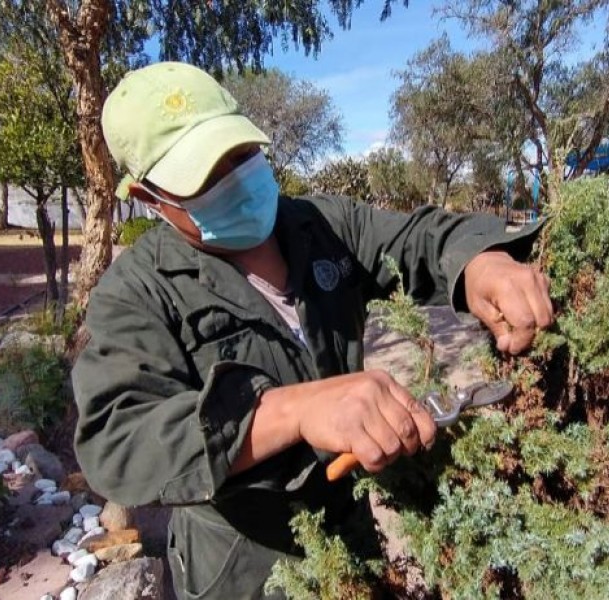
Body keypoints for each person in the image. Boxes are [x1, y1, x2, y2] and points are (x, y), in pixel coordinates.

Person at [72, 61, 554, 599]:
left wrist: (482, 263)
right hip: (241, 573)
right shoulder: (134, 294)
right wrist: (294, 410)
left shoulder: (322, 225)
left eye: (240, 155)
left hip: (351, 541)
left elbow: (422, 237)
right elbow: (119, 442)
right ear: (147, 197)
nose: (235, 179)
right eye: (205, 177)